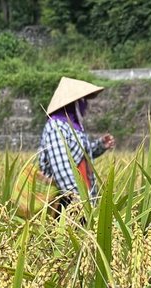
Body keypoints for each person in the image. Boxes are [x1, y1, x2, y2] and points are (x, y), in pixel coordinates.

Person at [39, 77, 115, 210]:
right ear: (73, 103)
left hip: (83, 196)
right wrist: (81, 204)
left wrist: (101, 145)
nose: (85, 104)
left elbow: (80, 154)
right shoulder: (56, 126)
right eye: (82, 101)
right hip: (65, 203)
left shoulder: (73, 127)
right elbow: (62, 170)